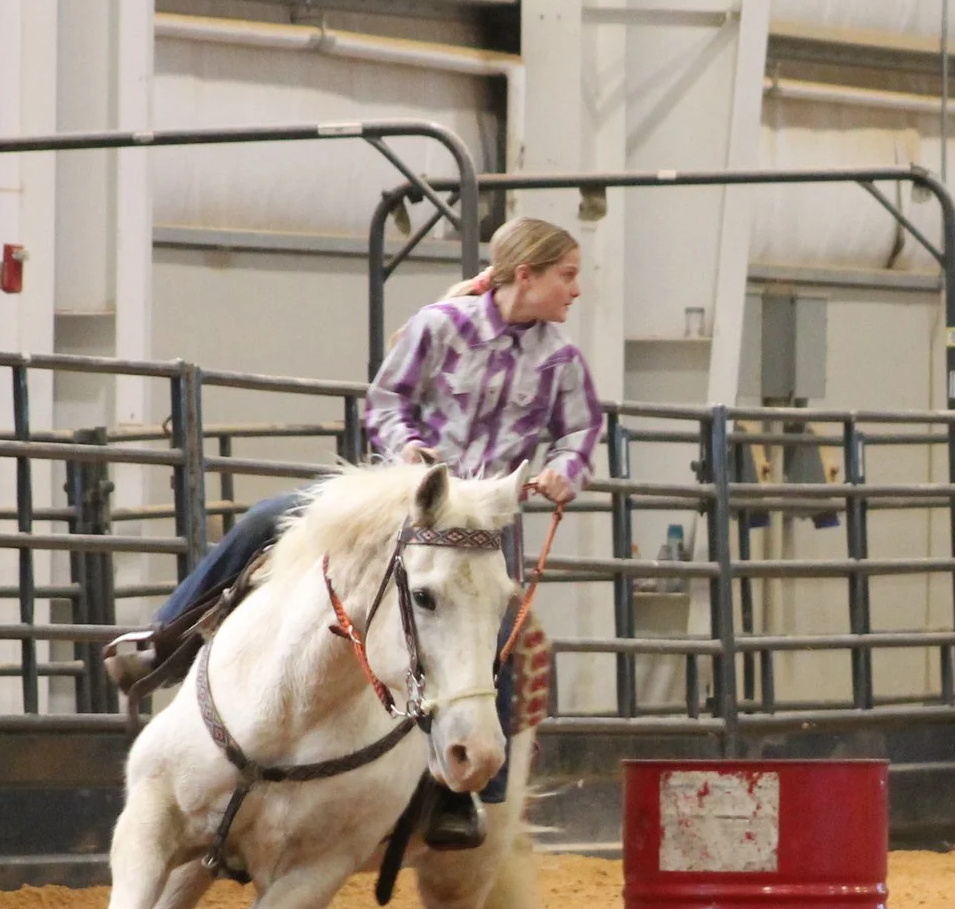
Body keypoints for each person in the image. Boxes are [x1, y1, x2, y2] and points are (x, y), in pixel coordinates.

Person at [101, 215, 602, 848]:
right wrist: (411, 447)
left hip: (480, 526)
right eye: (567, 276)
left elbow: (582, 430)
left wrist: (565, 471)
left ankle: (462, 794)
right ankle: (166, 639)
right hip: (400, 504)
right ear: (525, 275)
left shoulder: (559, 361)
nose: (574, 291)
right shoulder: (438, 329)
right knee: (267, 520)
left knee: (492, 636)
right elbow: (387, 402)